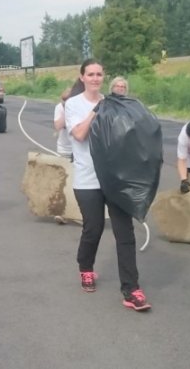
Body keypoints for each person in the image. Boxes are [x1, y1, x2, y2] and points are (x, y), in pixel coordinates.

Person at [65, 59, 150, 312]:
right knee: (94, 228)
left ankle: (131, 289)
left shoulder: (113, 103)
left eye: (99, 74)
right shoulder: (73, 104)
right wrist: (97, 110)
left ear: (104, 77)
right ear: (82, 77)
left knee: (125, 233)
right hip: (87, 178)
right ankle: (86, 268)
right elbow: (79, 135)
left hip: (115, 179)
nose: (94, 78)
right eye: (90, 74)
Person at [53, 87, 73, 159]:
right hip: (65, 149)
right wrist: (66, 109)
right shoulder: (60, 107)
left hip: (80, 150)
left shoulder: (81, 107)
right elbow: (58, 126)